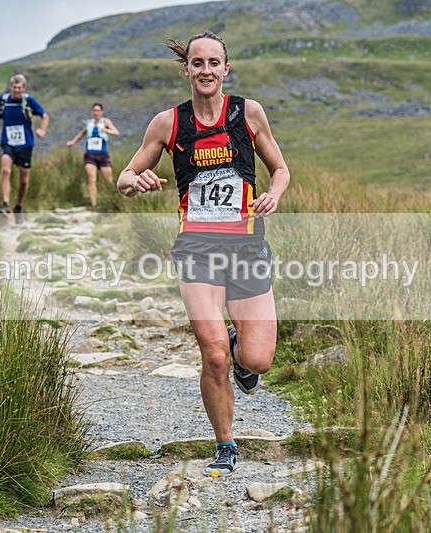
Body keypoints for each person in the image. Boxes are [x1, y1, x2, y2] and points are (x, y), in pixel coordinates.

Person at [117, 32, 290, 477]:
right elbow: (126, 173)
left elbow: (281, 168)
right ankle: (225, 443)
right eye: (198, 63)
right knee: (211, 354)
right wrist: (134, 181)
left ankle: (239, 348)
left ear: (225, 69)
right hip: (196, 248)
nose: (206, 70)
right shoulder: (168, 123)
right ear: (187, 69)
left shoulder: (247, 113)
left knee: (257, 361)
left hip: (248, 245)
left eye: (214, 62)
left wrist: (273, 193)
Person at [0, 74, 49, 224]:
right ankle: (5, 205)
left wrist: (42, 130)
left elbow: (44, 116)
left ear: (23, 88)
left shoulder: (29, 101)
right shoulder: (4, 100)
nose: (16, 90)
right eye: (14, 87)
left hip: (25, 144)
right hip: (7, 142)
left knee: (23, 181)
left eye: (19, 88)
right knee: (5, 170)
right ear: (11, 87)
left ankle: (18, 206)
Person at [66, 103, 120, 209]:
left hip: (103, 154)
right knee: (92, 179)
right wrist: (73, 142)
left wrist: (106, 130)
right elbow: (82, 133)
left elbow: (116, 133)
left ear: (101, 112)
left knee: (108, 179)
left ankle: (115, 201)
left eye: (98, 110)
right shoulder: (89, 123)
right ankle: (94, 205)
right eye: (94, 110)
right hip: (90, 155)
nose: (96, 113)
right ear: (92, 112)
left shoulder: (105, 121)